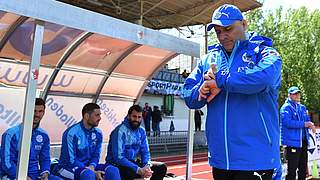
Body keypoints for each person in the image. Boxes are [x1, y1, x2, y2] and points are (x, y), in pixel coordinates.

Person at [183, 4, 282, 180]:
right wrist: (202, 89)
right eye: (218, 32)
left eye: (228, 29)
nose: (222, 36)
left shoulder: (264, 52)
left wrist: (221, 81)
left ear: (244, 24)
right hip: (220, 159)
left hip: (256, 158)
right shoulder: (209, 59)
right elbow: (189, 95)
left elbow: (263, 78)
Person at [0, 98, 60, 180]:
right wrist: (24, 177)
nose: (37, 114)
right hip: (12, 175)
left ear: (44, 112)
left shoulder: (44, 135)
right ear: (28, 111)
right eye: (34, 111)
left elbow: (45, 158)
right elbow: (7, 163)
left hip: (35, 174)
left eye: (40, 111)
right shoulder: (11, 134)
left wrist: (45, 173)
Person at [57, 103, 120, 180]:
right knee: (88, 175)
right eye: (97, 115)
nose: (100, 118)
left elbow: (96, 155)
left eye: (100, 115)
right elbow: (71, 160)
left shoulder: (98, 133)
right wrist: (91, 171)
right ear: (86, 116)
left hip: (89, 167)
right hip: (67, 167)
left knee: (113, 170)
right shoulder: (72, 133)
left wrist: (92, 166)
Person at [105, 105, 167, 180]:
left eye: (139, 117)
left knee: (161, 167)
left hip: (132, 164)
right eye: (134, 116)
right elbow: (118, 157)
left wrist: (146, 166)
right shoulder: (119, 131)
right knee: (129, 171)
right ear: (128, 116)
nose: (137, 119)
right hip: (116, 164)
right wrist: (138, 169)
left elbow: (145, 152)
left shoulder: (141, 131)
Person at [280, 86, 316, 180]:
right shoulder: (286, 107)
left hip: (303, 142)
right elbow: (287, 122)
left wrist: (311, 124)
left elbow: (307, 120)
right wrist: (305, 124)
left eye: (298, 93)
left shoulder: (302, 107)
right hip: (292, 143)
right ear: (289, 95)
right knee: (292, 170)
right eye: (294, 93)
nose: (297, 95)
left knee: (303, 169)